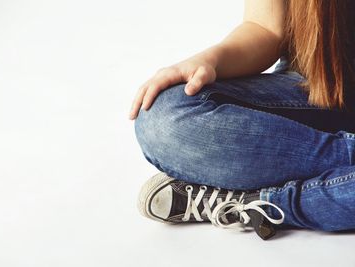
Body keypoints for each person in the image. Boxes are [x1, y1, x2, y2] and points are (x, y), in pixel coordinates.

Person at [128, 0, 355, 240]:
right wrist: (209, 61)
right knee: (163, 117)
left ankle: (259, 205)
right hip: (320, 86)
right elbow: (265, 28)